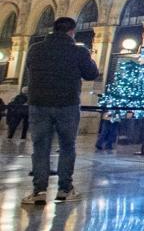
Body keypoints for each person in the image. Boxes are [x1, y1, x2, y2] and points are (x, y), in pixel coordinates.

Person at [20, 16, 100, 205]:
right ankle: (65, 189)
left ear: (53, 29)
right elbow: (92, 74)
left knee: (40, 147)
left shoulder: (35, 49)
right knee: (67, 146)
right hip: (67, 104)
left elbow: (30, 68)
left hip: (39, 104)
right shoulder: (78, 51)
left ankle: (39, 191)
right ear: (72, 31)